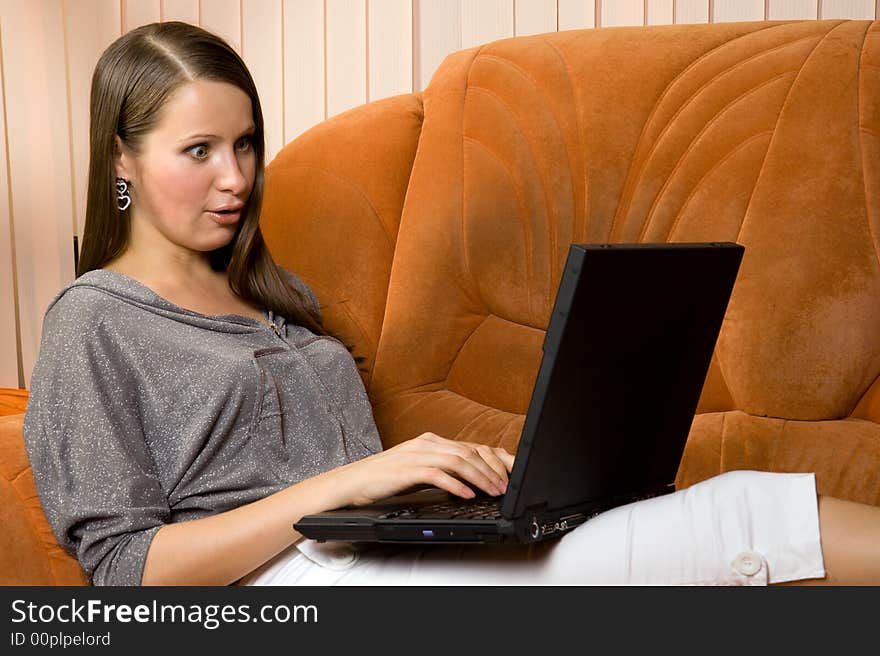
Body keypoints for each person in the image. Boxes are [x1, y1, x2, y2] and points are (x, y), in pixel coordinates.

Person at [22, 21, 880, 587]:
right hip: (281, 587)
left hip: (373, 559)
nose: (236, 178)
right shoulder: (94, 322)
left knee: (693, 510)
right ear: (120, 163)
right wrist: (354, 481)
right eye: (198, 149)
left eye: (246, 144)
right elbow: (127, 569)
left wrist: (454, 495)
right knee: (740, 514)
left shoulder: (277, 299)